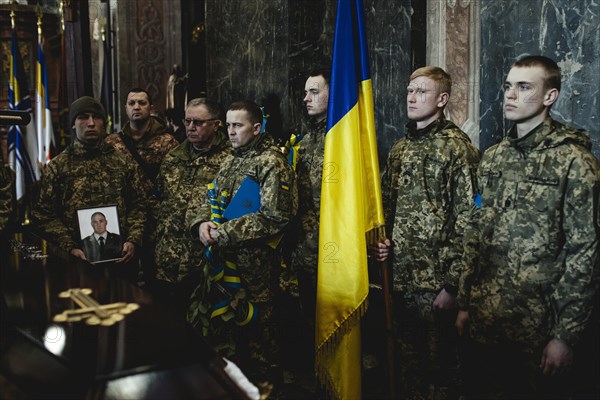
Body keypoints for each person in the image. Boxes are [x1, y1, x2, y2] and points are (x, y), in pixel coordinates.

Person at [455, 55, 600, 399]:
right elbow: (475, 234)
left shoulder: (575, 163)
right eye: (508, 86)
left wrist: (565, 336)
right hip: (486, 321)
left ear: (549, 96)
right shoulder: (493, 158)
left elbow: (586, 254)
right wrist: (464, 302)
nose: (510, 95)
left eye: (524, 87)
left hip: (537, 330)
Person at [371, 66, 481, 399]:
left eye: (421, 91)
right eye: (409, 90)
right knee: (409, 370)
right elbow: (386, 211)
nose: (412, 96)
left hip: (436, 287)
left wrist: (453, 286)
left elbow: (470, 220)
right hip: (401, 280)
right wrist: (382, 246)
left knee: (444, 372)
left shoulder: (457, 148)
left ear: (442, 99)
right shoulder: (400, 148)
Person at [188, 100, 297, 395]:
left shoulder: (271, 162)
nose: (231, 132)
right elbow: (208, 198)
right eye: (228, 125)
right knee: (234, 352)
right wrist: (202, 224)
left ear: (257, 128)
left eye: (238, 125)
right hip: (227, 270)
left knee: (262, 351)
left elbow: (275, 217)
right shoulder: (230, 159)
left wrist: (223, 233)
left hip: (257, 274)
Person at [32, 96, 149, 279]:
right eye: (83, 117)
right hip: (75, 264)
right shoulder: (58, 167)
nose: (91, 123)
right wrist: (69, 246)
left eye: (97, 117)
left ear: (104, 122)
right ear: (73, 123)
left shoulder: (123, 162)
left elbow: (140, 204)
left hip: (122, 262)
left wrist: (133, 239)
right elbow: (43, 215)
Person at [154, 98, 232, 315]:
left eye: (198, 122)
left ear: (216, 125)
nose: (190, 127)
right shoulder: (173, 157)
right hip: (167, 262)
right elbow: (159, 199)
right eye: (187, 121)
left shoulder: (230, 159)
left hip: (205, 265)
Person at [106, 88, 179, 281]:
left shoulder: (167, 142)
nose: (136, 107)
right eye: (132, 103)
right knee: (124, 278)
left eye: (142, 103)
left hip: (157, 220)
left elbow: (176, 182)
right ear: (125, 108)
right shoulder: (112, 143)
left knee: (155, 276)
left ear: (151, 108)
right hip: (125, 220)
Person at [289, 67, 330, 335]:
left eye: (314, 92)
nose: (306, 98)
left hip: (331, 249)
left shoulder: (342, 141)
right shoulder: (303, 143)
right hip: (303, 248)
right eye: (305, 93)